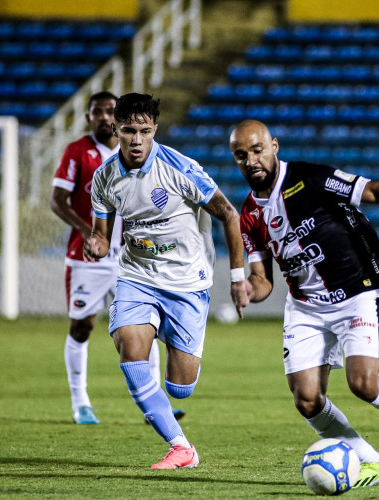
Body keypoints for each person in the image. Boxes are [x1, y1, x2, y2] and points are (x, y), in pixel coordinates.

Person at [229, 120, 379, 488]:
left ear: (274, 146)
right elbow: (264, 280)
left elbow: (372, 190)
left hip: (356, 293)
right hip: (306, 306)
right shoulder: (248, 215)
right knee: (307, 399)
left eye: (257, 150)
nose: (251, 160)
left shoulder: (310, 179)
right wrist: (248, 288)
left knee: (363, 385)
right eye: (241, 155)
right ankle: (371, 462)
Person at [84, 93, 248, 469]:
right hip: (137, 277)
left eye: (144, 130)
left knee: (180, 387)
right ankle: (181, 447)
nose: (137, 139)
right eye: (128, 131)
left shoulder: (181, 168)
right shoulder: (105, 177)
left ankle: (164, 341)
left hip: (187, 282)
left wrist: (238, 278)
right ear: (116, 129)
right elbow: (101, 234)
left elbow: (229, 214)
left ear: (155, 129)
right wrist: (94, 244)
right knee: (129, 345)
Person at [51, 91, 184, 425]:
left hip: (132, 257)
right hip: (89, 259)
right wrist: (88, 232)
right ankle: (80, 402)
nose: (104, 117)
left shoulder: (138, 152)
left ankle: (156, 405)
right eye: (97, 111)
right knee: (83, 326)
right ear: (88, 117)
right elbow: (58, 200)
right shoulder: (77, 152)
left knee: (146, 324)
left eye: (110, 111)